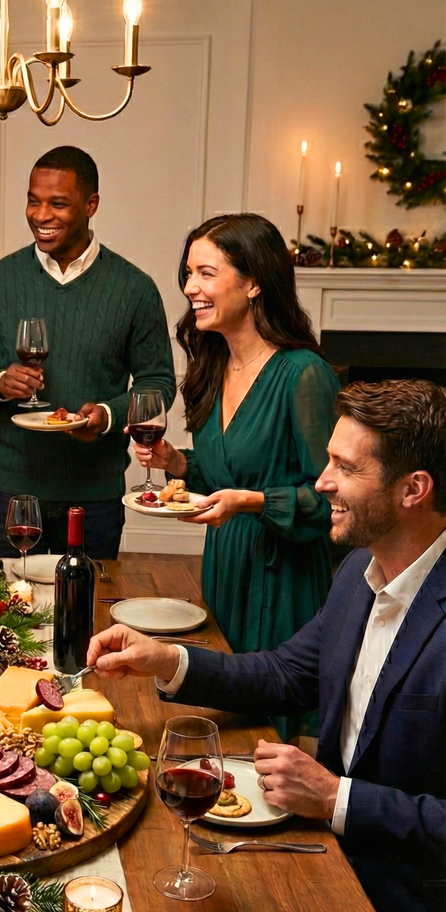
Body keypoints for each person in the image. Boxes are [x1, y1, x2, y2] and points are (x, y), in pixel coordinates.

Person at [88, 379, 446, 912]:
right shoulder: (358, 577)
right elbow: (285, 673)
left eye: (344, 467)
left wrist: (336, 797)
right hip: (319, 865)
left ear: (414, 489)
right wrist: (169, 659)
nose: (322, 484)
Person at [131, 214, 339, 739]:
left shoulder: (303, 373)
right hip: (227, 565)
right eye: (188, 273)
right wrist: (179, 464)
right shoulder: (213, 364)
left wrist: (253, 503)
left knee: (269, 730)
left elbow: (334, 498)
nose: (189, 288)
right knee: (224, 720)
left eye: (205, 273)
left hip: (283, 578)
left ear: (253, 283)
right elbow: (226, 469)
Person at [0, 145, 175, 558]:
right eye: (33, 201)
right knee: (6, 615)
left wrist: (107, 416)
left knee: (86, 616)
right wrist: (1, 383)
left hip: (93, 495)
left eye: (58, 204)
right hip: (11, 490)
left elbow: (158, 384)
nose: (41, 216)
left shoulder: (134, 289)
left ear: (91, 205)